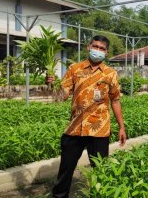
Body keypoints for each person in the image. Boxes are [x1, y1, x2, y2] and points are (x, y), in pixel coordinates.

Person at [51, 35, 127, 198]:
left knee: (100, 172)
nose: (98, 51)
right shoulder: (75, 69)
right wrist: (51, 84)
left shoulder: (110, 74)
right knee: (65, 171)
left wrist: (121, 127)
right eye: (95, 47)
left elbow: (115, 100)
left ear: (106, 53)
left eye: (102, 49)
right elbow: (61, 96)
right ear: (88, 47)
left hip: (99, 129)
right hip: (75, 128)